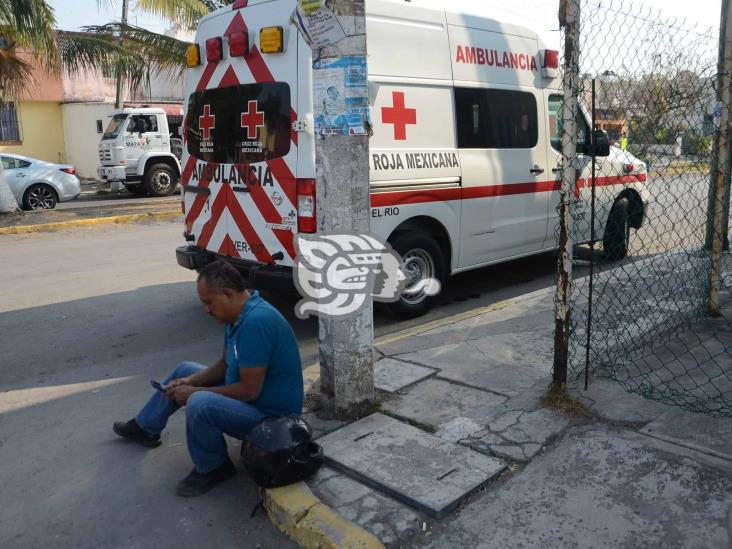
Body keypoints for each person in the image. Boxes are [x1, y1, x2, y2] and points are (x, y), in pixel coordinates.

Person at [113, 260, 303, 496]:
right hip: (253, 400)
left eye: (208, 302)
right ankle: (146, 427)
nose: (206, 309)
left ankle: (214, 467)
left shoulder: (256, 323)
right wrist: (190, 381)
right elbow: (224, 364)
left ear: (227, 294)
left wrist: (194, 393)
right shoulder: (237, 315)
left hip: (273, 420)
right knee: (185, 371)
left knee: (200, 403)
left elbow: (249, 390)